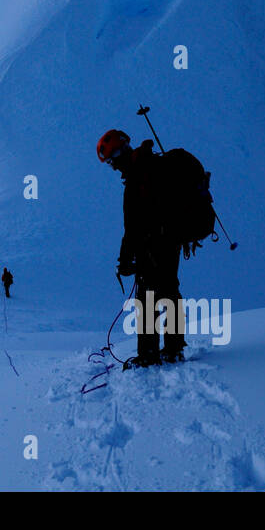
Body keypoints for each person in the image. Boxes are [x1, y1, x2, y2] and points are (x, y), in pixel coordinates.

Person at [96, 129, 186, 367]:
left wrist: (125, 261)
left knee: (147, 300)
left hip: (152, 246)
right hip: (172, 240)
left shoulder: (137, 178)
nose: (113, 167)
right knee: (170, 291)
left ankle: (148, 355)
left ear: (118, 155)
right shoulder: (153, 165)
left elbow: (133, 228)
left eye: (112, 161)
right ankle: (174, 349)